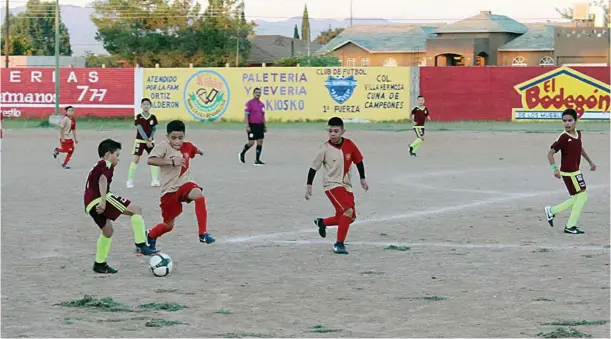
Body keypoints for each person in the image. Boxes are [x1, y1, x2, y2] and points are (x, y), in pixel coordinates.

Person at [84, 139, 158, 274]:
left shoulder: (97, 166)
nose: (118, 159)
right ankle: (141, 244)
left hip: (89, 204)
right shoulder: (105, 164)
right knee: (136, 210)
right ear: (108, 155)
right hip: (100, 199)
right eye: (117, 156)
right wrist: (103, 201)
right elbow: (102, 179)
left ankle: (99, 264)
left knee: (108, 232)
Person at [146, 120, 216, 250]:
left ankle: (203, 233)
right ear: (167, 137)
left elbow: (194, 149)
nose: (177, 141)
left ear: (184, 136)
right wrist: (171, 162)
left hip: (184, 185)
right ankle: (150, 235)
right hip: (169, 191)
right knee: (168, 225)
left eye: (180, 138)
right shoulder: (163, 147)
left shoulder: (187, 146)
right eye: (173, 138)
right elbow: (150, 160)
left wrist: (201, 151)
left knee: (198, 195)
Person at [305, 117, 369, 254]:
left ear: (342, 131)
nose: (332, 134)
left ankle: (322, 222)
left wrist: (362, 178)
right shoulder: (324, 149)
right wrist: (309, 185)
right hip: (332, 185)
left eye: (336, 131)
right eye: (330, 131)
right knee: (348, 211)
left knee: (350, 218)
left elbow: (358, 161)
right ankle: (339, 244)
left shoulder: (350, 144)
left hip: (346, 185)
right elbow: (313, 168)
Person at [544, 108, 597, 234]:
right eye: (564, 121)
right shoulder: (563, 137)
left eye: (570, 120)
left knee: (578, 198)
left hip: (576, 171)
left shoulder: (578, 134)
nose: (567, 123)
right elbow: (550, 154)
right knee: (582, 196)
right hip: (568, 172)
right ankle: (570, 225)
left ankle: (552, 211)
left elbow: (580, 148)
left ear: (575, 121)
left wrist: (590, 161)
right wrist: (555, 169)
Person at [126, 98, 160, 188]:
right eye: (144, 104)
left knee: (154, 158)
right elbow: (140, 129)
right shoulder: (138, 117)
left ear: (150, 106)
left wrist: (150, 138)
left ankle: (155, 180)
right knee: (136, 159)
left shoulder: (153, 117)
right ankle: (130, 180)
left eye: (147, 104)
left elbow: (154, 129)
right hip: (140, 141)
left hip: (150, 141)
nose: (146, 106)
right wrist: (146, 140)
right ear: (141, 106)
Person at [238, 88, 266, 166]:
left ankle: (257, 160)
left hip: (260, 125)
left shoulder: (261, 104)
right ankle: (242, 153)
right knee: (251, 142)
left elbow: (263, 115)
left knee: (260, 141)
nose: (258, 94)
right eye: (256, 92)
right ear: (253, 93)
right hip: (252, 125)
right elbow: (246, 115)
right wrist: (247, 125)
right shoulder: (249, 103)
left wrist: (264, 125)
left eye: (259, 92)